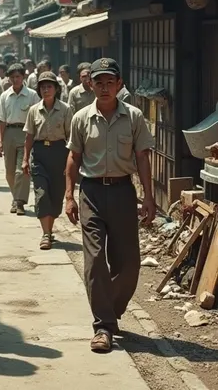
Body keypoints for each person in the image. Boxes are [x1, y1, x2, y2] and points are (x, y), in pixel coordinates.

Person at [65, 57, 155, 354]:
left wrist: (150, 198)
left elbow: (142, 157)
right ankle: (103, 326)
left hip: (122, 193)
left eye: (109, 82)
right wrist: (68, 196)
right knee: (94, 261)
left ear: (119, 85)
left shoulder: (134, 117)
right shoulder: (80, 118)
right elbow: (74, 158)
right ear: (90, 84)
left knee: (129, 264)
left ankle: (111, 310)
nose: (104, 88)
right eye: (98, 82)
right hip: (90, 192)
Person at [22, 72, 72, 250]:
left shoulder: (65, 109)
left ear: (56, 89)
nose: (46, 90)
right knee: (42, 195)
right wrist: (26, 159)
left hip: (59, 153)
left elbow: (70, 138)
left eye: (49, 86)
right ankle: (45, 234)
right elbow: (29, 136)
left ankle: (49, 232)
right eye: (42, 87)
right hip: (40, 154)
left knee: (56, 195)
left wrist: (70, 162)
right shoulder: (34, 110)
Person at [0, 62, 39, 215]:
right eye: (12, 77)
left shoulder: (32, 95)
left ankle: (20, 202)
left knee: (22, 169)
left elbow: (37, 117)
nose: (15, 80)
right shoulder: (4, 96)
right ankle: (16, 198)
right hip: (9, 133)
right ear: (9, 78)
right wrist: (0, 140)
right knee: (9, 171)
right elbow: (1, 119)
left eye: (18, 77)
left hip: (26, 133)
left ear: (23, 77)